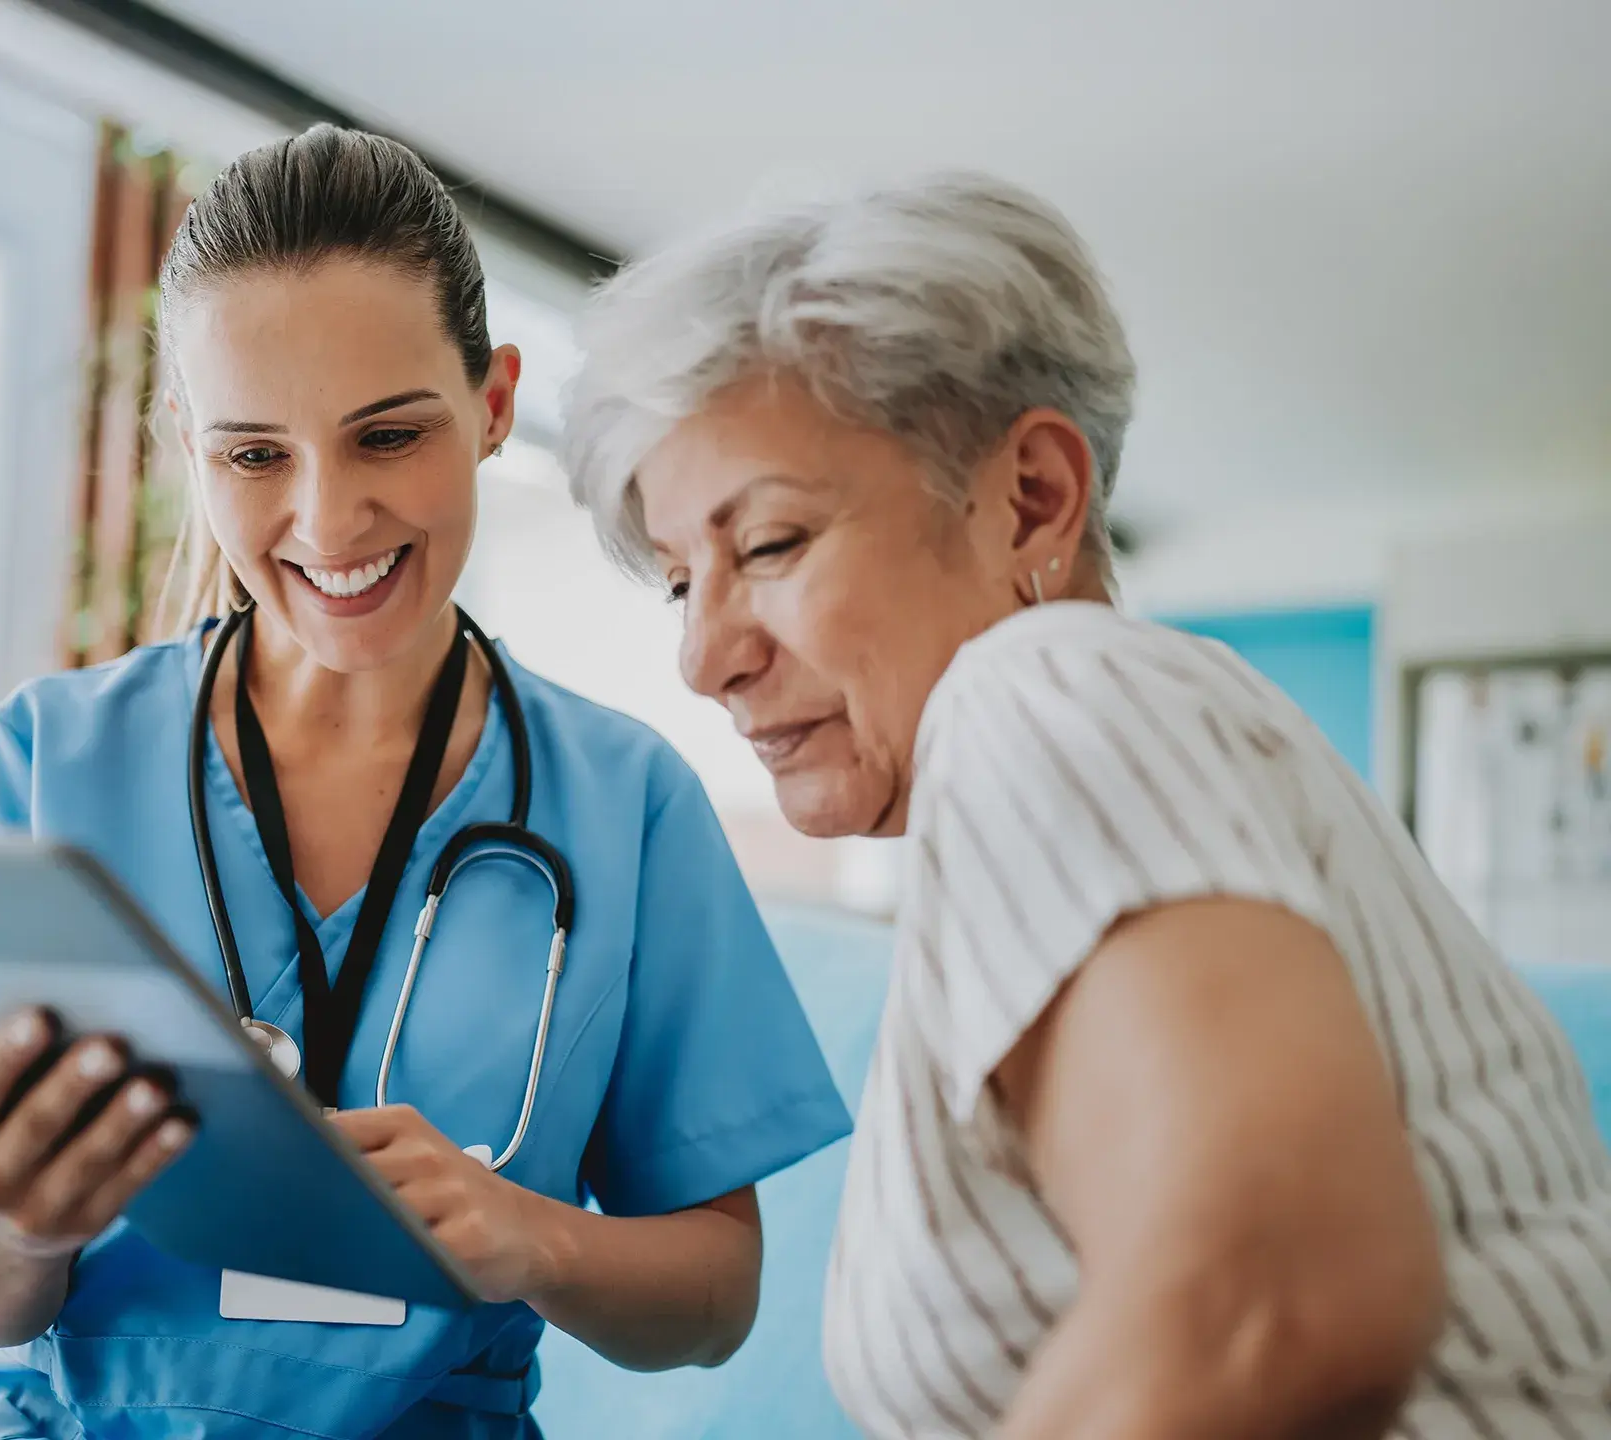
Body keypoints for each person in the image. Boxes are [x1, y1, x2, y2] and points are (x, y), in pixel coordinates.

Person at [0, 125, 851, 1440]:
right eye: (256, 454)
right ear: (189, 442)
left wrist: (531, 1239)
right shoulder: (43, 762)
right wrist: (3, 1221)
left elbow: (714, 1300)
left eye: (386, 435)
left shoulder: (624, 803)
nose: (329, 520)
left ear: (491, 405)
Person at [562, 173, 1611, 1438]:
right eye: (683, 583)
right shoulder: (1084, 766)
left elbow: (1266, 1301)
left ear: (1031, 500)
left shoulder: (1046, 689)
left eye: (772, 544)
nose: (704, 655)